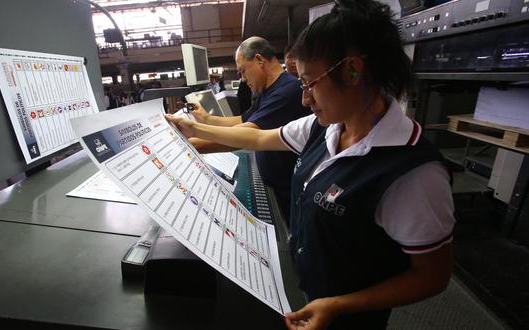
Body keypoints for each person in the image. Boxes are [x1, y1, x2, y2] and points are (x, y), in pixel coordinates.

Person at [167, 1, 454, 329]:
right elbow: (259, 139)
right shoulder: (326, 128)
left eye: (309, 83)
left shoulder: (413, 172)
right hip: (311, 294)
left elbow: (431, 278)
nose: (303, 99)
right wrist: (194, 128)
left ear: (353, 70)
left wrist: (337, 306)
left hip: (348, 317)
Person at [187, 36, 310, 222]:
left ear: (259, 60)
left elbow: (243, 136)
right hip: (275, 186)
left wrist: (189, 141)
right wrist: (206, 118)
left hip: (287, 194)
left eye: (242, 71)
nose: (243, 79)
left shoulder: (286, 92)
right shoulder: (268, 91)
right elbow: (241, 121)